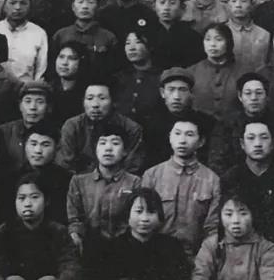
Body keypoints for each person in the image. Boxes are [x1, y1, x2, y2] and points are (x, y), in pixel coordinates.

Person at [141, 115, 221, 259]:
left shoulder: (211, 180)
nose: (182, 140)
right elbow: (144, 221)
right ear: (170, 138)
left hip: (196, 258)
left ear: (201, 142)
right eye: (177, 134)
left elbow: (212, 228)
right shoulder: (152, 175)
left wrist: (203, 261)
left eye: (189, 135)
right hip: (156, 256)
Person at [221, 119, 274, 254]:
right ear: (242, 144)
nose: (257, 144)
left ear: (272, 143)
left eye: (264, 138)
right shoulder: (230, 179)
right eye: (251, 138)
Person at [66, 123, 141, 256]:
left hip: (124, 250)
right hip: (89, 249)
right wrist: (76, 235)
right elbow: (75, 219)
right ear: (95, 149)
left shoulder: (135, 182)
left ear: (125, 151)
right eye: (102, 143)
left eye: (115, 143)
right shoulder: (79, 181)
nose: (108, 148)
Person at [58, 80, 144, 174]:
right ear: (83, 102)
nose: (95, 104)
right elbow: (66, 164)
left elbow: (132, 167)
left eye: (102, 98)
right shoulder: (72, 126)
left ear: (113, 102)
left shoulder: (131, 128)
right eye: (89, 98)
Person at [207, 73, 274, 175]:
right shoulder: (227, 124)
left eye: (259, 93)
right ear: (240, 96)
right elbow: (217, 161)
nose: (254, 98)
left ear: (267, 96)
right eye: (248, 93)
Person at [142, 68, 214, 167]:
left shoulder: (205, 123)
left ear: (191, 93)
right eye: (171, 89)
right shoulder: (148, 123)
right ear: (162, 93)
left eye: (182, 90)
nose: (176, 96)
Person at [5, 122, 71, 226]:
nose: (38, 151)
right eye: (33, 144)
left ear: (57, 148)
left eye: (45, 145)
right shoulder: (10, 179)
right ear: (25, 145)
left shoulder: (67, 180)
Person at [0, 0, 49, 82]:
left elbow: (41, 69)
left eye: (23, 3)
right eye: (12, 3)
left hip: (26, 88)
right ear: (4, 5)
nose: (18, 7)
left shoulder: (39, 33)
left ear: (30, 6)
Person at [50, 0, 118, 76]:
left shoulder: (108, 37)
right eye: (80, 2)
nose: (85, 6)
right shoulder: (61, 35)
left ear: (98, 6)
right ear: (73, 7)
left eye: (90, 2)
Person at [187, 23, 241, 120]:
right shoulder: (191, 72)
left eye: (218, 39)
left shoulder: (243, 72)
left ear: (228, 42)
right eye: (208, 39)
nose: (212, 44)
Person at [0, 79, 52, 174]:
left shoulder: (56, 134)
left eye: (40, 102)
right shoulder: (4, 132)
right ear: (20, 106)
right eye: (28, 101)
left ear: (49, 107)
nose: (33, 107)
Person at [146, 0, 203, 70]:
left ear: (182, 7)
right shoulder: (146, 33)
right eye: (162, 2)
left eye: (172, 3)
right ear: (154, 6)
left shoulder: (192, 36)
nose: (166, 7)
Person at [113, 28, 161, 130]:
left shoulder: (161, 77)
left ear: (150, 46)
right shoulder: (118, 78)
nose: (131, 48)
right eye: (127, 43)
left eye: (138, 42)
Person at [223, 0, 270, 73]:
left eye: (243, 1)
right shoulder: (220, 32)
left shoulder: (264, 35)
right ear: (228, 4)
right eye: (233, 1)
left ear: (252, 4)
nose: (238, 5)